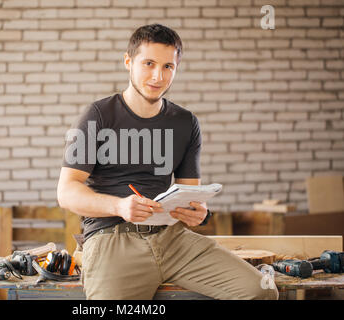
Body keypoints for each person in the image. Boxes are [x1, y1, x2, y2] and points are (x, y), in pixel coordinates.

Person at [57, 24, 278, 300]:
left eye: (168, 67)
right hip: (112, 239)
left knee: (261, 290)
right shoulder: (98, 115)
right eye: (148, 64)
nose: (157, 76)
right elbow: (66, 192)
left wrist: (197, 212)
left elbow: (189, 193)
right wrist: (120, 206)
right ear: (128, 61)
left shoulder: (186, 122)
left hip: (172, 238)